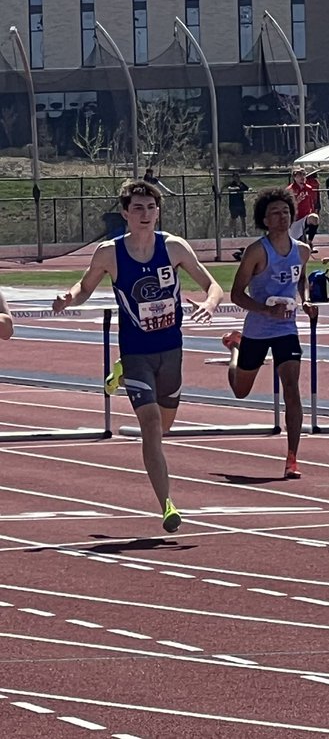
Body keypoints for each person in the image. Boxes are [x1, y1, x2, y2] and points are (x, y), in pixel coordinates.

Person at [52, 179, 223, 532]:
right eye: (138, 209)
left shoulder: (174, 247)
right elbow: (84, 287)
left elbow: (212, 284)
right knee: (149, 428)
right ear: (125, 214)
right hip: (135, 351)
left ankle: (118, 374)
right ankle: (167, 505)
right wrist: (67, 298)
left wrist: (209, 303)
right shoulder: (109, 253)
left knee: (164, 426)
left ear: (158, 212)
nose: (145, 215)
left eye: (151, 208)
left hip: (171, 350)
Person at [222, 188, 317, 478]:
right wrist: (265, 310)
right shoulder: (257, 251)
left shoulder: (302, 250)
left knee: (292, 388)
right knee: (241, 391)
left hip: (286, 328)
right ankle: (236, 349)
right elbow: (236, 294)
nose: (282, 216)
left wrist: (306, 300)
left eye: (286, 211)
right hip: (259, 328)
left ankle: (292, 458)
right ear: (265, 218)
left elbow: (300, 281)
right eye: (275, 212)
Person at [288, 167, 321, 247]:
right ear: (295, 178)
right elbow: (287, 206)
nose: (302, 178)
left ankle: (309, 242)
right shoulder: (290, 190)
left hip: (305, 217)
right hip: (295, 220)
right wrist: (297, 201)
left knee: (314, 218)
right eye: (299, 176)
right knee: (296, 245)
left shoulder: (308, 188)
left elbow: (311, 203)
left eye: (303, 175)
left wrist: (312, 211)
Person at [225, 172, 251, 237]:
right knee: (233, 218)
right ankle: (231, 233)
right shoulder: (232, 184)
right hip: (233, 204)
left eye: (238, 176)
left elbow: (248, 188)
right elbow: (229, 189)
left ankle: (244, 232)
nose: (237, 178)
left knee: (243, 218)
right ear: (233, 177)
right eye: (236, 177)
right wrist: (237, 188)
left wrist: (249, 189)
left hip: (241, 204)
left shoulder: (241, 184)